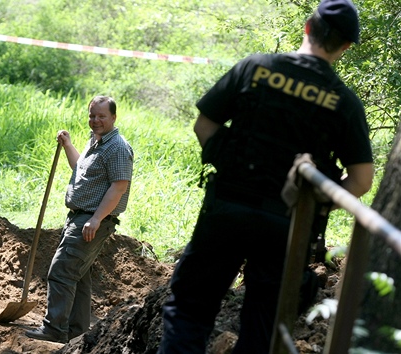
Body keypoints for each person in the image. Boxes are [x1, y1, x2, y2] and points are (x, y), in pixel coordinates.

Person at [158, 0, 374, 352]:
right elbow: (362, 180)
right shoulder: (343, 102)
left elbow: (204, 124)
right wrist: (314, 205)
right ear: (346, 46)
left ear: (307, 26)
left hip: (227, 206)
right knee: (262, 328)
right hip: (288, 226)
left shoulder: (254, 67)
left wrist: (229, 162)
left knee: (189, 311)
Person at [25, 96, 134, 344]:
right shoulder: (95, 142)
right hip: (78, 217)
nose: (95, 121)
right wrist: (68, 145)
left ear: (114, 118)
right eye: (92, 115)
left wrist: (96, 218)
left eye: (101, 116)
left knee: (62, 271)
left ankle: (54, 328)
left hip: (92, 219)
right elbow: (80, 170)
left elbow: (119, 187)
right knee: (79, 277)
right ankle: (76, 333)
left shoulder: (117, 147)